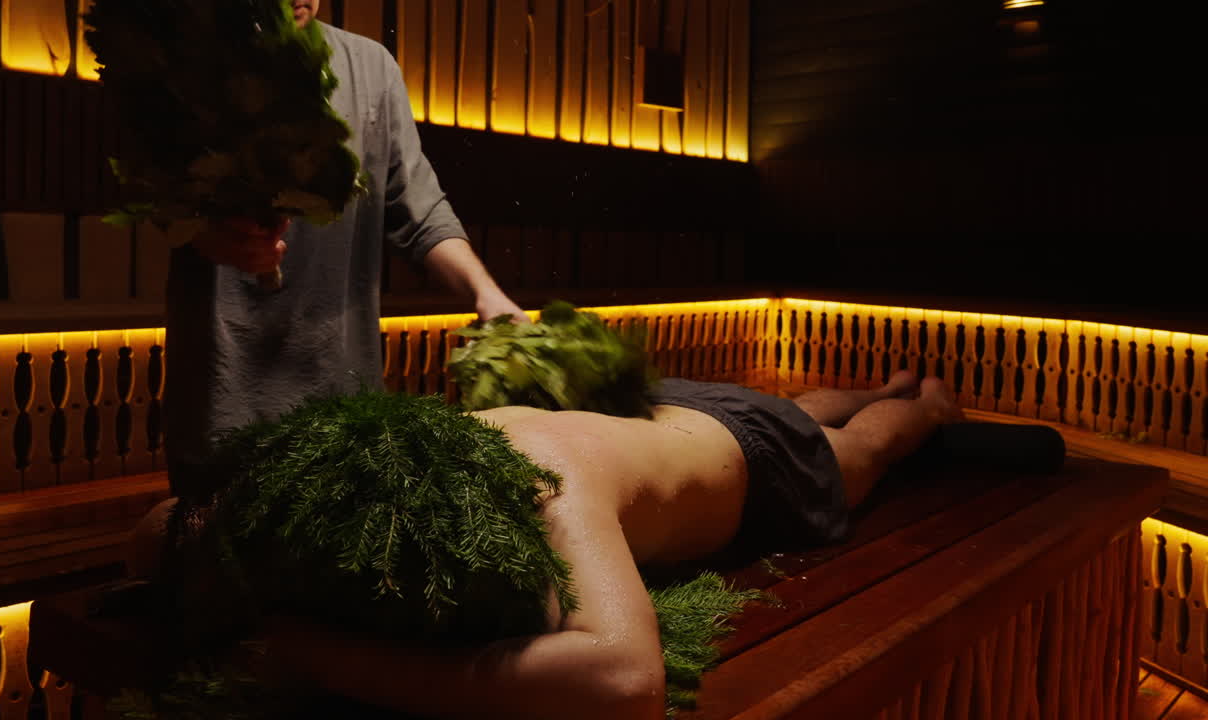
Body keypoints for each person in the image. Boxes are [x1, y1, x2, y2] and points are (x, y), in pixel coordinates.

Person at [132, 370, 965, 719]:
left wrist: (319, 659)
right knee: (791, 404)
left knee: (859, 452)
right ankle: (855, 393)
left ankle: (924, 403)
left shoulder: (539, 482)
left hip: (757, 462)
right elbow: (175, 519)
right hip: (672, 416)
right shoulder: (390, 468)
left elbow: (627, 682)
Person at [161, 0, 525, 493]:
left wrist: (486, 293)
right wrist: (214, 239)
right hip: (224, 404)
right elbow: (154, 202)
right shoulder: (187, 58)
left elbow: (420, 212)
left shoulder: (372, 66)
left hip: (344, 403)